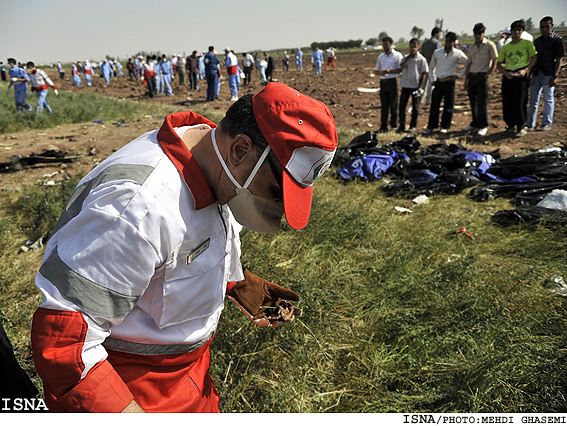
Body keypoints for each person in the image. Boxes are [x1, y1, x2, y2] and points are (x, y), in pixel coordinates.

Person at [30, 82, 338, 413]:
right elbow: (64, 346)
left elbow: (191, 247)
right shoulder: (136, 208)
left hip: (190, 379)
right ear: (241, 150)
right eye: (277, 190)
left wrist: (239, 285)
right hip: (133, 390)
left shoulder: (218, 168)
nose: (278, 205)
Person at [496, 19, 537, 138]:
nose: (516, 32)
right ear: (511, 32)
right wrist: (505, 73)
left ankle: (521, 126)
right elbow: (499, 63)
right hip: (508, 75)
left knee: (520, 101)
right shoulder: (506, 47)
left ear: (522, 31)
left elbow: (534, 58)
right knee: (507, 101)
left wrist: (526, 70)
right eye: (514, 30)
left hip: (521, 74)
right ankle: (510, 125)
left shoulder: (527, 44)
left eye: (519, 30)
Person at [423, 32, 468, 135]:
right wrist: (432, 79)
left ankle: (444, 126)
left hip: (449, 82)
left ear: (454, 42)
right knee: (434, 105)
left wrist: (459, 75)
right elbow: (431, 67)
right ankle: (431, 126)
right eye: (446, 41)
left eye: (450, 41)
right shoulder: (437, 53)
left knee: (448, 105)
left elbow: (467, 63)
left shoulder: (457, 53)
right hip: (438, 81)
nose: (447, 43)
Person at [526, 16, 565, 131]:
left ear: (552, 26)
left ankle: (546, 123)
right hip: (537, 73)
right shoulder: (538, 41)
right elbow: (534, 58)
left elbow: (559, 59)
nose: (543, 29)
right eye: (542, 27)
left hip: (549, 73)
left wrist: (555, 76)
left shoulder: (557, 40)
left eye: (546, 27)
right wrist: (530, 73)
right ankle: (530, 124)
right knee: (533, 100)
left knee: (548, 99)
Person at [461, 23, 498, 136]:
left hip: (482, 75)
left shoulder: (489, 45)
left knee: (482, 102)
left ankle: (483, 125)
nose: (477, 36)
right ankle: (475, 123)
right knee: (473, 102)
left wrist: (490, 73)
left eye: (480, 34)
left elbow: (495, 59)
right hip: (472, 75)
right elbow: (469, 63)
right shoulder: (471, 47)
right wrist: (466, 79)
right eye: (476, 34)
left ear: (483, 33)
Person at [397, 38, 428, 133]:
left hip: (415, 86)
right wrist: (409, 57)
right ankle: (402, 126)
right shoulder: (405, 58)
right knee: (402, 106)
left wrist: (420, 87)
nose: (413, 48)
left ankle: (412, 126)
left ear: (418, 47)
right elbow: (401, 67)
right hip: (406, 85)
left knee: (415, 107)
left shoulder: (421, 59)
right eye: (411, 47)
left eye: (415, 47)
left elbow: (423, 73)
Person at [374, 36, 403, 132]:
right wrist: (381, 73)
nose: (385, 46)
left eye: (386, 44)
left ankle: (394, 126)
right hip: (383, 82)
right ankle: (383, 126)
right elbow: (376, 70)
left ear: (390, 44)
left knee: (393, 105)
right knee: (384, 105)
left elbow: (400, 69)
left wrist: (390, 71)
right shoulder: (381, 57)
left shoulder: (397, 55)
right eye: (383, 45)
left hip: (392, 81)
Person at [420, 27, 443, 105]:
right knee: (432, 84)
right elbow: (440, 55)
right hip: (433, 66)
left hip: (425, 65)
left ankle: (421, 99)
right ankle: (429, 100)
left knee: (424, 84)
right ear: (437, 34)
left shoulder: (425, 43)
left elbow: (421, 54)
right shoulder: (437, 43)